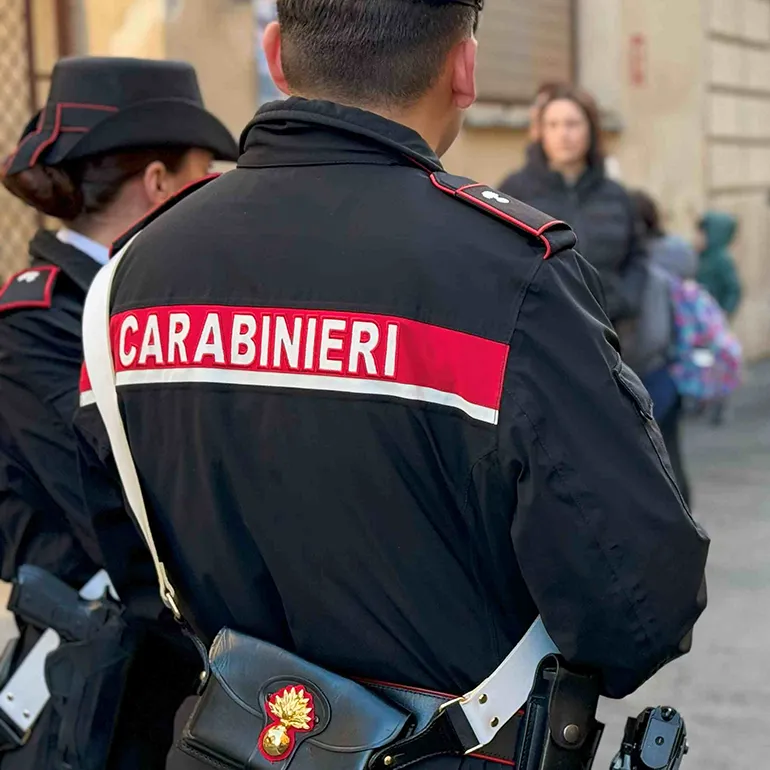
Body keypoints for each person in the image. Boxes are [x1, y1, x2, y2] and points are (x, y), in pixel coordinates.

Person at [76, 2, 708, 767]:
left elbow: (129, 569)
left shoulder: (126, 282)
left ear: (276, 55)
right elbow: (639, 612)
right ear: (465, 68)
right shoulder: (510, 276)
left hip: (232, 745)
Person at [0, 56, 238, 769]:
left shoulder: (158, 305)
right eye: (203, 175)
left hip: (180, 684)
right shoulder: (32, 323)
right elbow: (117, 505)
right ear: (160, 184)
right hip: (93, 701)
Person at [499, 85, 647, 347]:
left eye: (572, 124)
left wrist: (625, 300)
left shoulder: (615, 195)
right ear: (541, 132)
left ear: (590, 129)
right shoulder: (515, 192)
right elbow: (498, 259)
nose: (563, 134)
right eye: (553, 125)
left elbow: (637, 257)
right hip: (539, 340)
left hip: (608, 338)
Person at [631, 190, 696, 506]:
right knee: (670, 451)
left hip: (647, 371)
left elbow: (652, 334)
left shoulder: (646, 271)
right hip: (671, 365)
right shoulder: (679, 253)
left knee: (651, 457)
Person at [696, 211, 742, 318]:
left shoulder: (722, 259)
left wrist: (724, 312)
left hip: (713, 316)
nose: (697, 237)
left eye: (702, 233)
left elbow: (734, 289)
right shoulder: (699, 257)